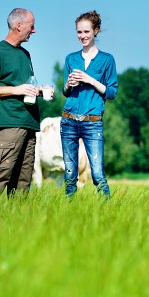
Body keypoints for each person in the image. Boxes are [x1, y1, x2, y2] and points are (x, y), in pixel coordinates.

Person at [0, 7, 51, 198]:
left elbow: (25, 87)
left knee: (23, 181)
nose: (34, 30)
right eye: (31, 26)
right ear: (18, 26)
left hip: (29, 123)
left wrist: (40, 91)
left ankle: (17, 223)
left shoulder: (25, 54)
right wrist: (15, 90)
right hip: (9, 124)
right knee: (0, 174)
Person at [61, 10, 119, 198]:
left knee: (97, 174)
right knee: (70, 175)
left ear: (96, 31)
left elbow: (112, 92)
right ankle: (70, 211)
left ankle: (108, 209)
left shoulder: (107, 60)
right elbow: (65, 92)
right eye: (79, 32)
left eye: (86, 32)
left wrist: (90, 79)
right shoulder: (71, 58)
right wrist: (68, 85)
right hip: (68, 121)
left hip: (92, 122)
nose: (82, 36)